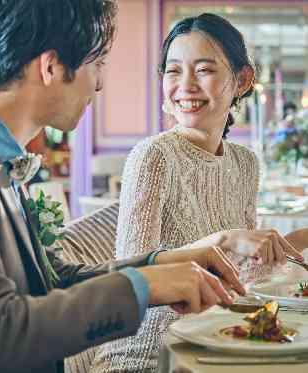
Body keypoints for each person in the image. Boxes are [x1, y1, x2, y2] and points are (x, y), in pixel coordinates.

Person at [0, 2, 245, 373]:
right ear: (50, 67)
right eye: (96, 65)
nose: (99, 84)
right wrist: (143, 284)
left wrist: (167, 266)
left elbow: (52, 281)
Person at [91, 13, 303, 372]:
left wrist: (290, 242)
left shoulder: (245, 163)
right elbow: (130, 279)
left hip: (218, 344)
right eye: (173, 71)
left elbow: (242, 281)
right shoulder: (152, 157)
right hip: (148, 357)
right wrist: (224, 238)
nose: (185, 85)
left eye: (204, 70)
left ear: (242, 80)